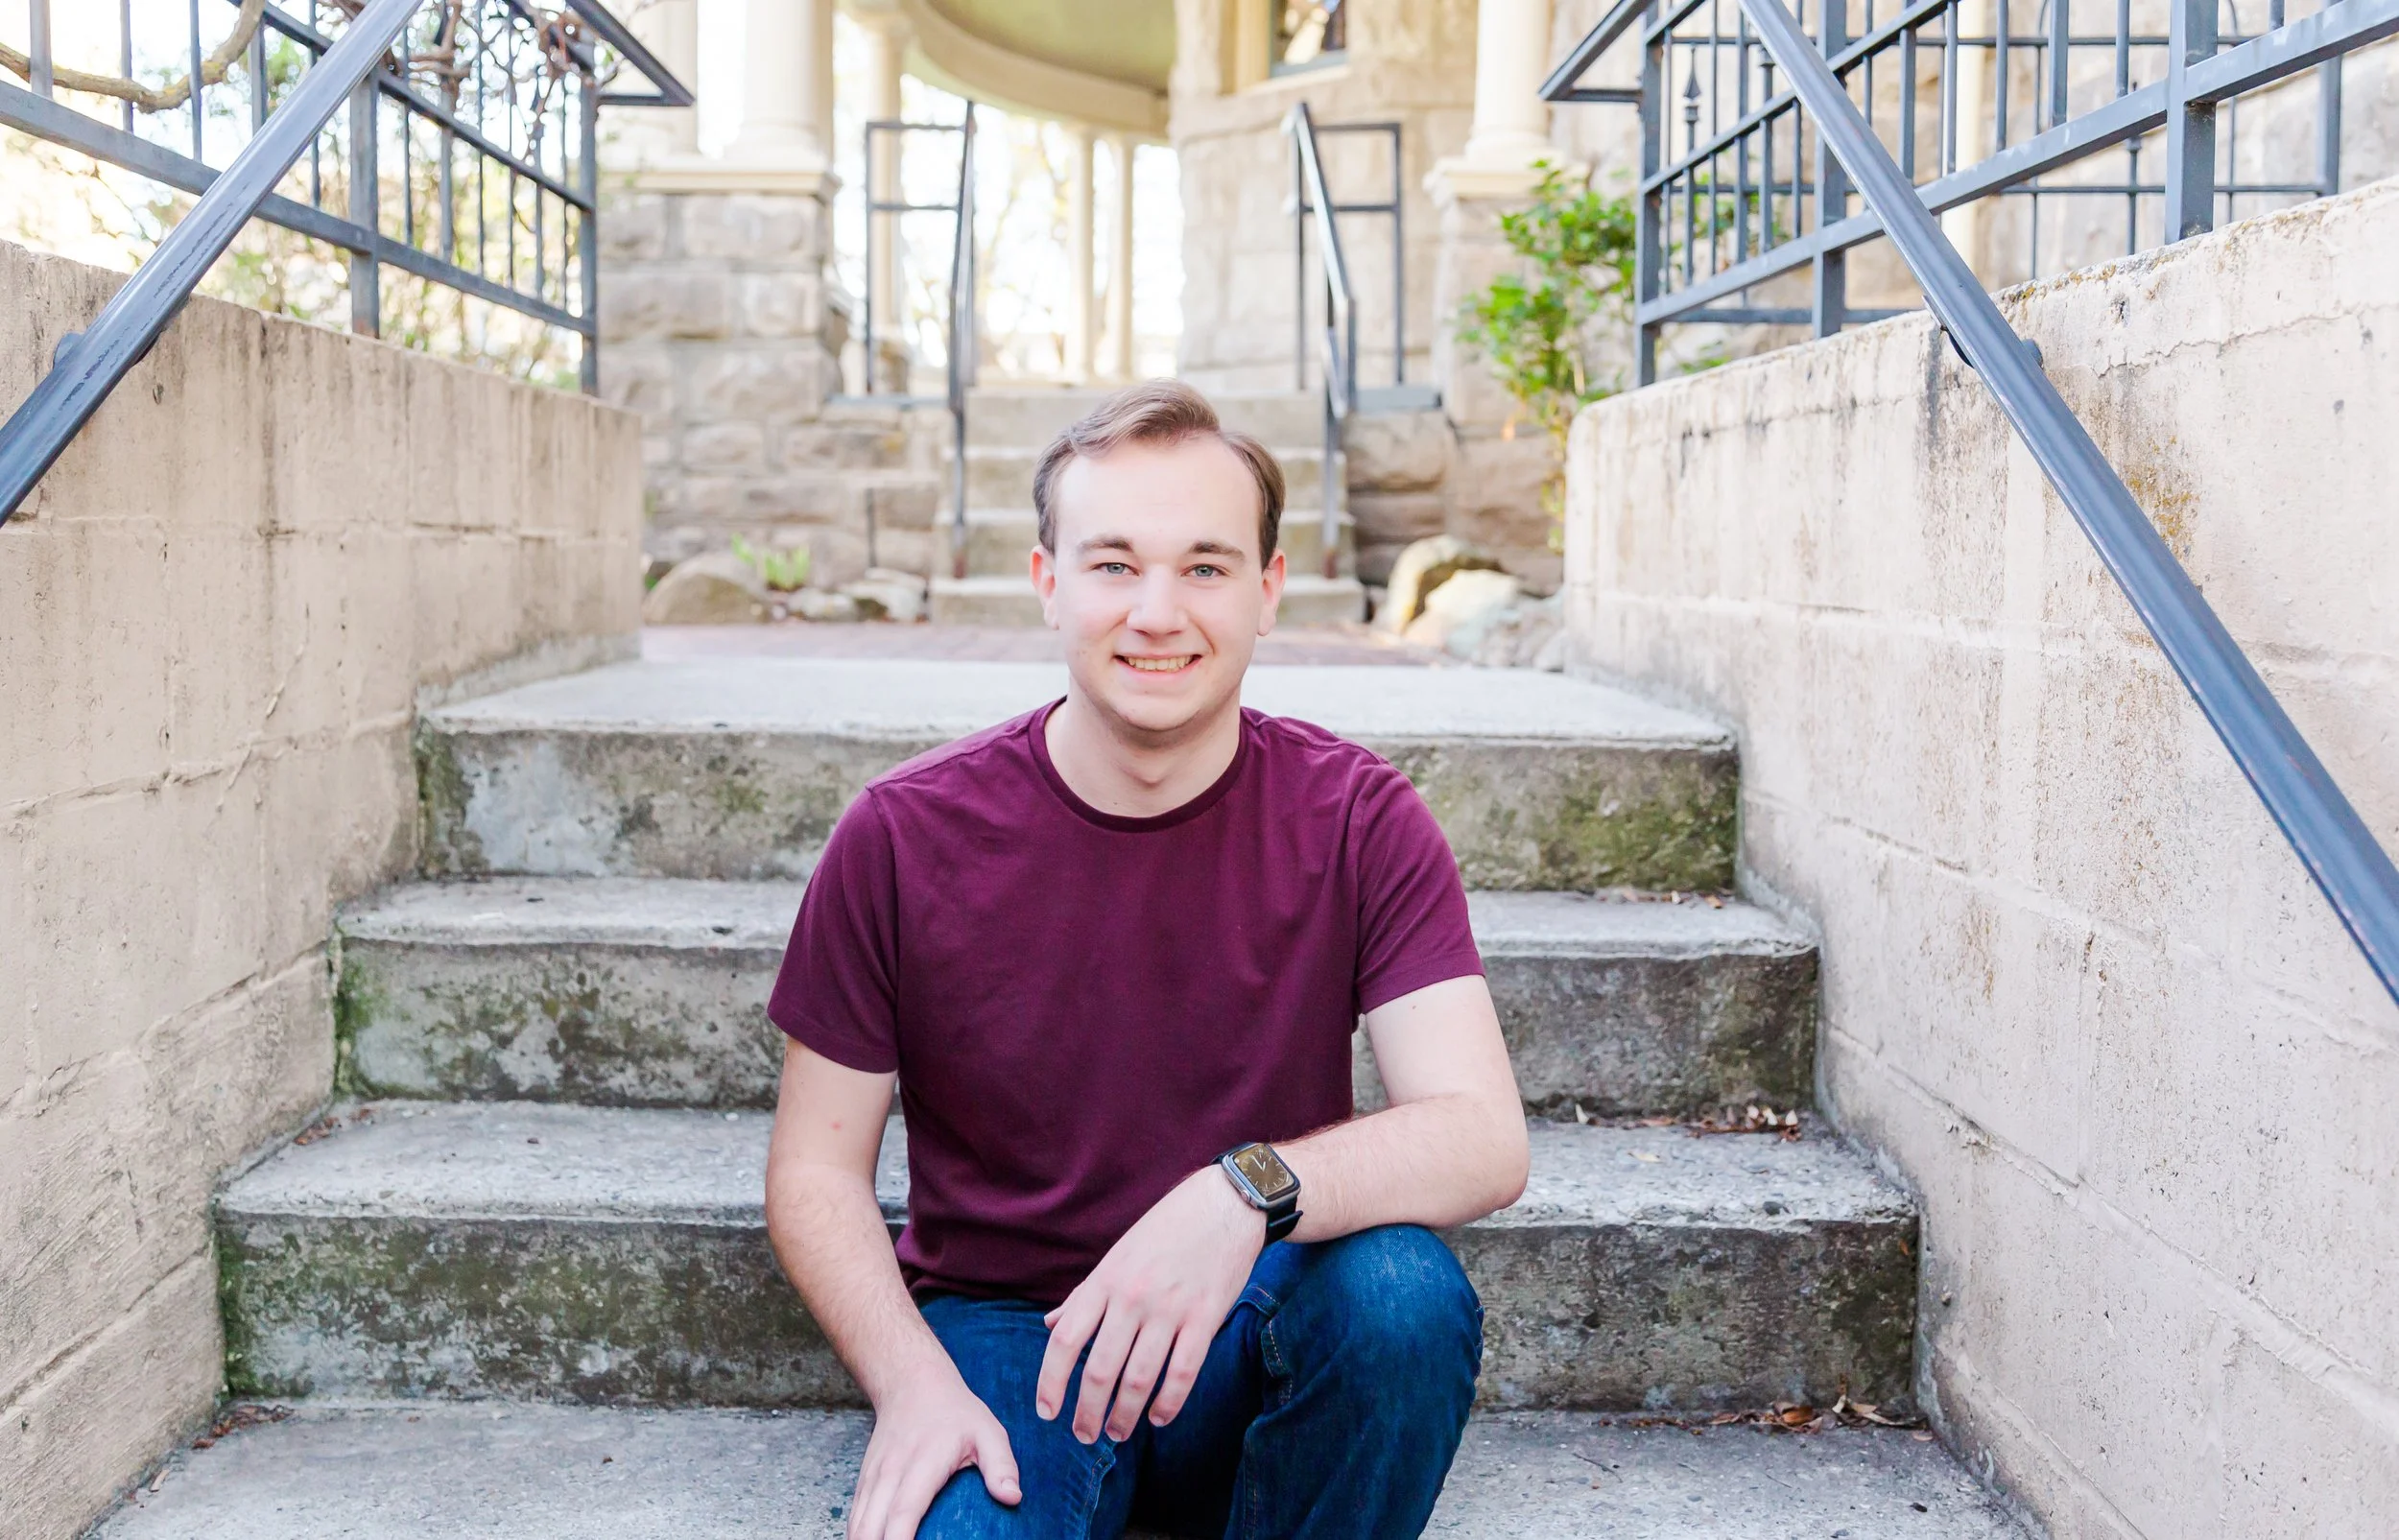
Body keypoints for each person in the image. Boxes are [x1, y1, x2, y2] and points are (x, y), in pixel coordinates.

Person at [763, 380, 1531, 1540]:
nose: (1158, 612)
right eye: (1114, 564)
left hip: (1248, 1316)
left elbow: (1480, 1135)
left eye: (1206, 567)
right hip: (1013, 1336)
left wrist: (1239, 1196)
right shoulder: (903, 835)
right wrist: (911, 1385)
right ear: (1047, 584)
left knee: (1401, 1299)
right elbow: (814, 1175)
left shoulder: (1358, 817)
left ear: (1268, 593)